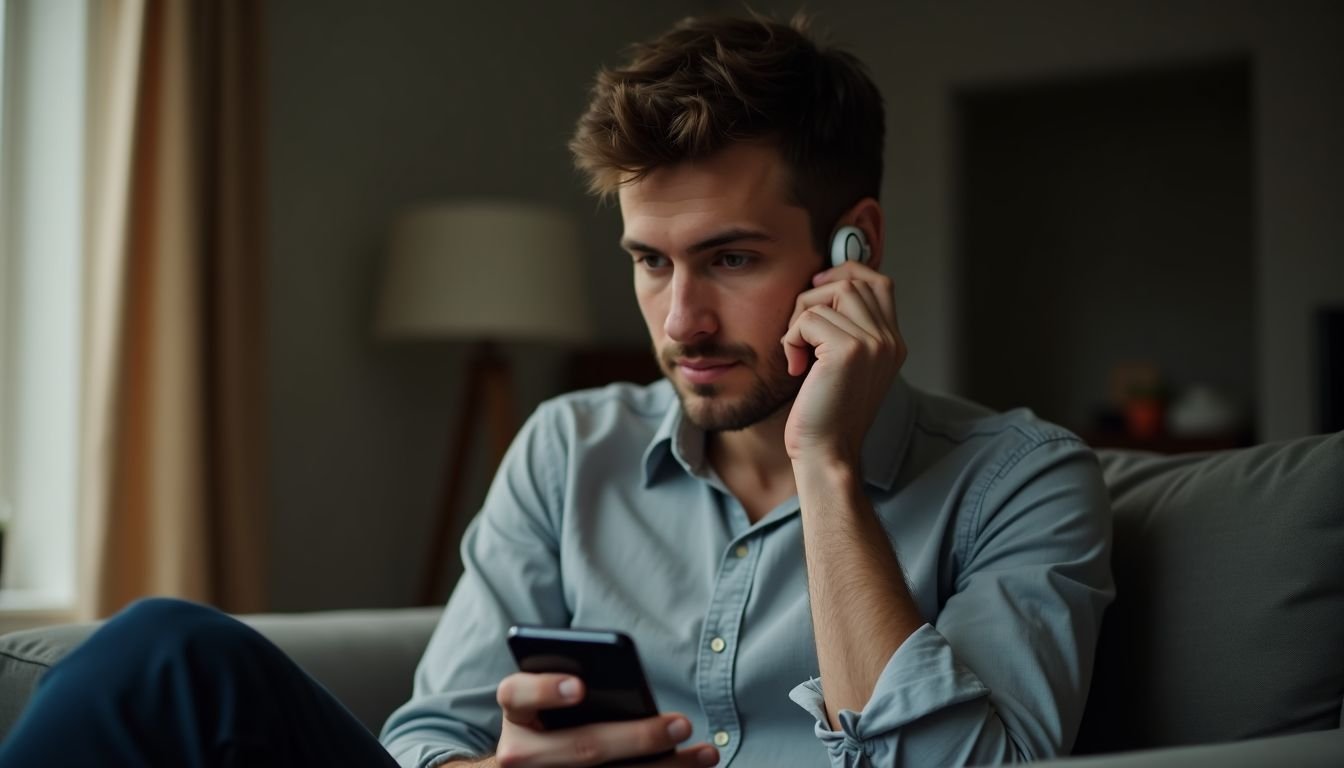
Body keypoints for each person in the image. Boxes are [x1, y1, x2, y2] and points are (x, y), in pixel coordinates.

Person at [0, 13, 1112, 768]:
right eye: (648, 261)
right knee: (163, 658)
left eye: (729, 260)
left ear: (851, 247)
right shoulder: (567, 447)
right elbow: (429, 732)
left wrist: (826, 472)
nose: (680, 323)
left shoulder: (1024, 482)